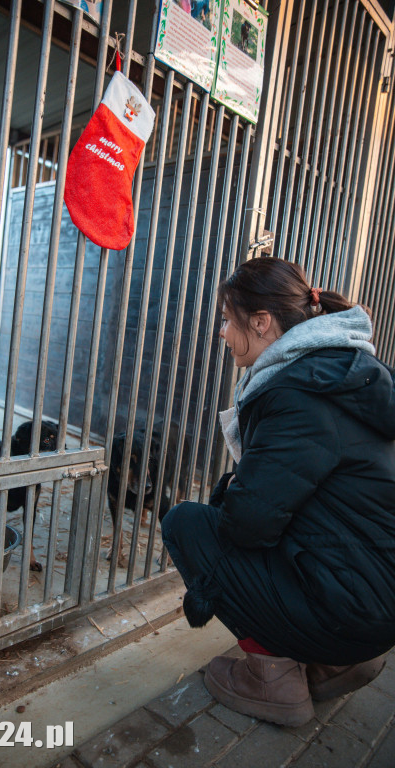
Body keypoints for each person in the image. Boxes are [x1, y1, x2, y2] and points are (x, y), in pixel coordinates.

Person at [162, 256, 395, 727]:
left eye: (227, 320)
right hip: (376, 598)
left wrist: (224, 499)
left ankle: (272, 678)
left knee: (186, 524)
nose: (222, 333)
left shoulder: (297, 393)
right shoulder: (344, 372)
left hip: (354, 606)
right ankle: (336, 663)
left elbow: (250, 524)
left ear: (263, 322)